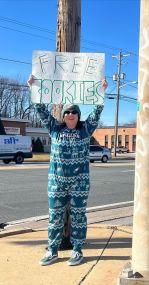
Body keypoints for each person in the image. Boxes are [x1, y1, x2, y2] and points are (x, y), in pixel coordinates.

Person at [27, 75, 107, 266]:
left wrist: (102, 91)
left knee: (78, 217)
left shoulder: (85, 130)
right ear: (63, 116)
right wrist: (33, 87)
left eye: (74, 112)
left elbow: (97, 111)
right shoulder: (54, 129)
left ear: (78, 116)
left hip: (80, 183)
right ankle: (52, 251)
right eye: (67, 112)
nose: (70, 114)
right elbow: (40, 110)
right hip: (56, 182)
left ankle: (77, 250)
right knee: (55, 217)